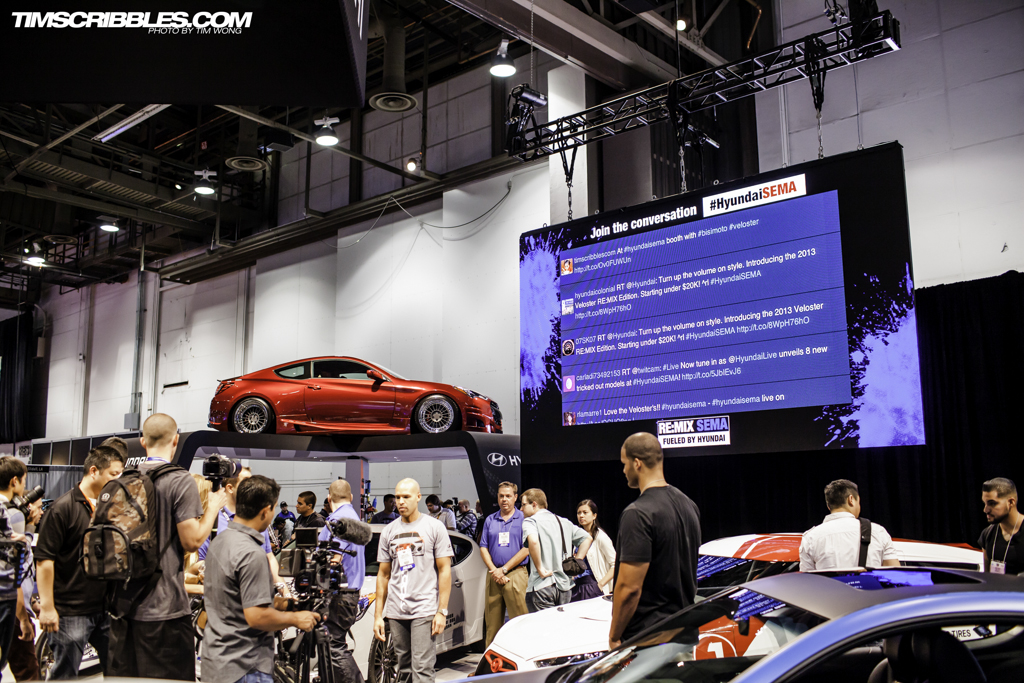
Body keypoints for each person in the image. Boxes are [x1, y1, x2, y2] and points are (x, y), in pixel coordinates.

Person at [108, 413, 226, 681]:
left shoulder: (121, 481)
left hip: (123, 606)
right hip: (165, 610)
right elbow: (192, 541)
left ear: (143, 441)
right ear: (175, 440)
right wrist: (213, 507)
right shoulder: (179, 480)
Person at [202, 475, 319, 683]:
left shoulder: (220, 541)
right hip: (246, 667)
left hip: (216, 661)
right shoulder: (251, 553)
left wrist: (288, 605)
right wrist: (296, 619)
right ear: (265, 511)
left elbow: (238, 598)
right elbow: (256, 616)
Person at [35, 445, 124, 679]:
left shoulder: (110, 508)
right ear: (94, 471)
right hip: (70, 612)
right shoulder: (62, 508)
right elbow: (44, 560)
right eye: (113, 474)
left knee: (119, 670)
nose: (119, 480)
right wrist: (47, 607)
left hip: (105, 609)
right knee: (64, 676)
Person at [609, 433, 700, 650]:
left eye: (624, 464)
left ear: (637, 463)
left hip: (649, 641)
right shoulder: (689, 505)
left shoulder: (637, 513)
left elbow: (629, 588)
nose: (623, 470)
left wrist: (614, 636)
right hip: (685, 635)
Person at [373, 479, 453, 683]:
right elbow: (383, 575)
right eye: (398, 497)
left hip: (424, 609)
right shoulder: (388, 531)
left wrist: (442, 611)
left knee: (422, 669)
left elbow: (444, 570)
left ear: (418, 497)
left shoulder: (434, 527)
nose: (400, 501)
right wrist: (378, 616)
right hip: (396, 611)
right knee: (404, 669)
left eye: (406, 497)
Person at [319, 479, 366, 683]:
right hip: (348, 593)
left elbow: (333, 558)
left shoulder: (338, 521)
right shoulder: (354, 518)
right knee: (331, 645)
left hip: (338, 595)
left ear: (329, 498)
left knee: (333, 645)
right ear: (352, 497)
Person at [799, 479, 900, 572]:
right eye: (858, 502)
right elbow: (895, 576)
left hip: (829, 587)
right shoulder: (878, 532)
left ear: (828, 506)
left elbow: (807, 581)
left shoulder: (810, 538)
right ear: (851, 499)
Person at [520, 488, 592, 612]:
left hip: (541, 586)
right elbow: (587, 538)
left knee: (542, 624)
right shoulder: (563, 522)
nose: (521, 509)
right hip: (564, 587)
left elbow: (533, 541)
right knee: (561, 624)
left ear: (534, 504)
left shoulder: (530, 521)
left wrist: (540, 569)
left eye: (523, 505)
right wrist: (577, 561)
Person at [478, 482, 529, 647]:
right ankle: (491, 662)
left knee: (519, 623)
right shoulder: (490, 519)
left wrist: (504, 569)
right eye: (501, 496)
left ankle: (522, 658)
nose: (504, 499)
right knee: (492, 626)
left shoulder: (524, 518)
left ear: (515, 497)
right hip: (494, 575)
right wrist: (495, 570)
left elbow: (527, 548)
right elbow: (483, 547)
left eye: (508, 496)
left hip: (516, 574)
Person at [0, 457, 36, 674]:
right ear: (14, 481)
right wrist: (23, 616)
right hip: (5, 599)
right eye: (24, 481)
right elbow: (15, 568)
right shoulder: (9, 513)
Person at [572, 499, 616, 601]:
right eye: (579, 513)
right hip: (577, 585)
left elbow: (615, 564)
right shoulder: (578, 537)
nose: (581, 516)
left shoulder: (600, 537)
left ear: (594, 516)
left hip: (592, 585)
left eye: (585, 512)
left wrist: (600, 584)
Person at [979, 477, 1023, 575]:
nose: (985, 510)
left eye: (992, 503)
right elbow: (987, 577)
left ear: (1010, 502)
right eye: (985, 503)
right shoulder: (987, 534)